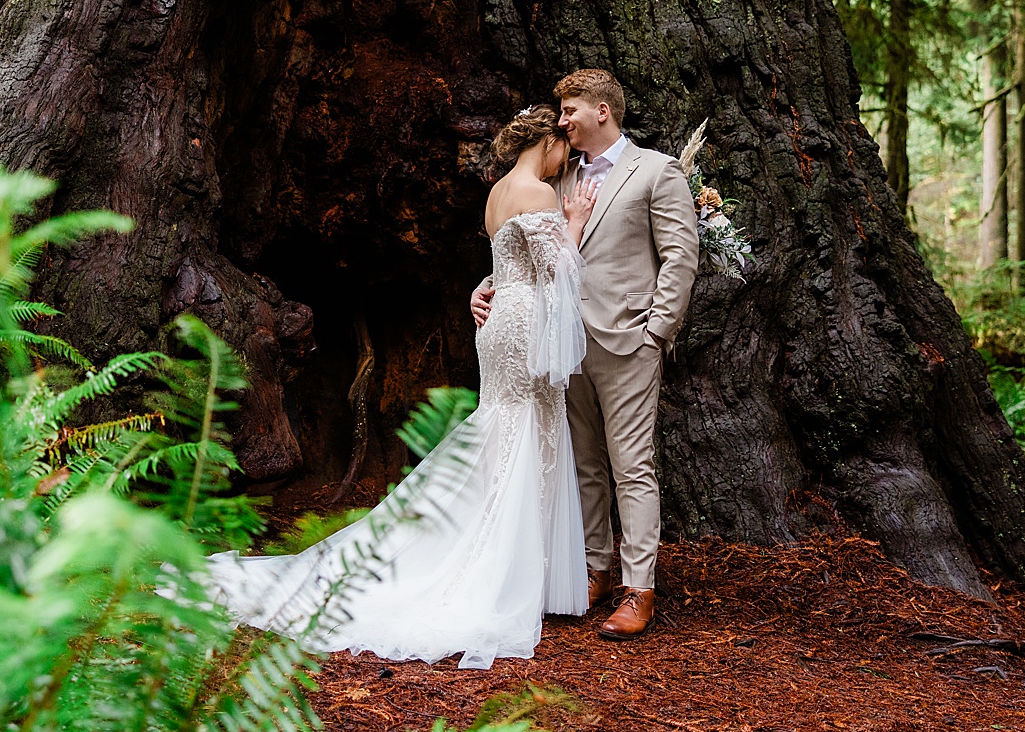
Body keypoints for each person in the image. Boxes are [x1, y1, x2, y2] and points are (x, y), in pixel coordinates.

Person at [201, 106, 594, 668]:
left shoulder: (497, 194)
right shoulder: (540, 194)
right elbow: (559, 270)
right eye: (566, 151)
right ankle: (499, 566)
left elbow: (507, 267)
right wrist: (575, 219)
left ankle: (511, 558)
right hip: (525, 324)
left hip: (499, 319)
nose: (568, 162)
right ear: (549, 145)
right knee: (526, 432)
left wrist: (481, 290)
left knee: (504, 428)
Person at [473, 69, 698, 640]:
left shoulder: (656, 170)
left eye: (571, 110)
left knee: (632, 467)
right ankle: (594, 568)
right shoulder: (557, 175)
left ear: (603, 110)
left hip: (628, 340)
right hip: (559, 344)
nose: (563, 120)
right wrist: (487, 285)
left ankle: (638, 588)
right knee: (584, 466)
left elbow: (680, 256)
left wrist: (657, 331)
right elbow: (536, 250)